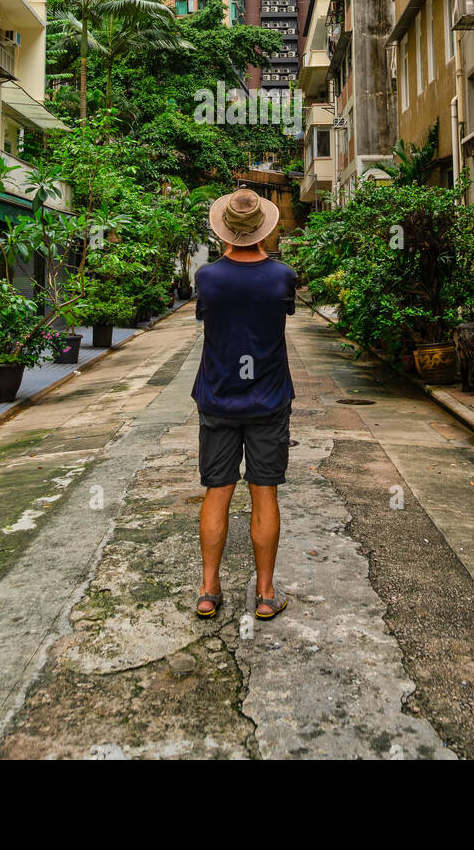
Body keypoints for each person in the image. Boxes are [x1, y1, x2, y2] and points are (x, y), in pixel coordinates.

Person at [192, 187, 296, 622]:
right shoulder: (282, 276)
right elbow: (280, 313)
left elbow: (208, 319)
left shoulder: (208, 277)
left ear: (224, 232)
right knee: (264, 492)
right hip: (268, 397)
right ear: (263, 230)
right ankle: (266, 593)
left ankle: (208, 589)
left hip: (218, 395)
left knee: (218, 492)